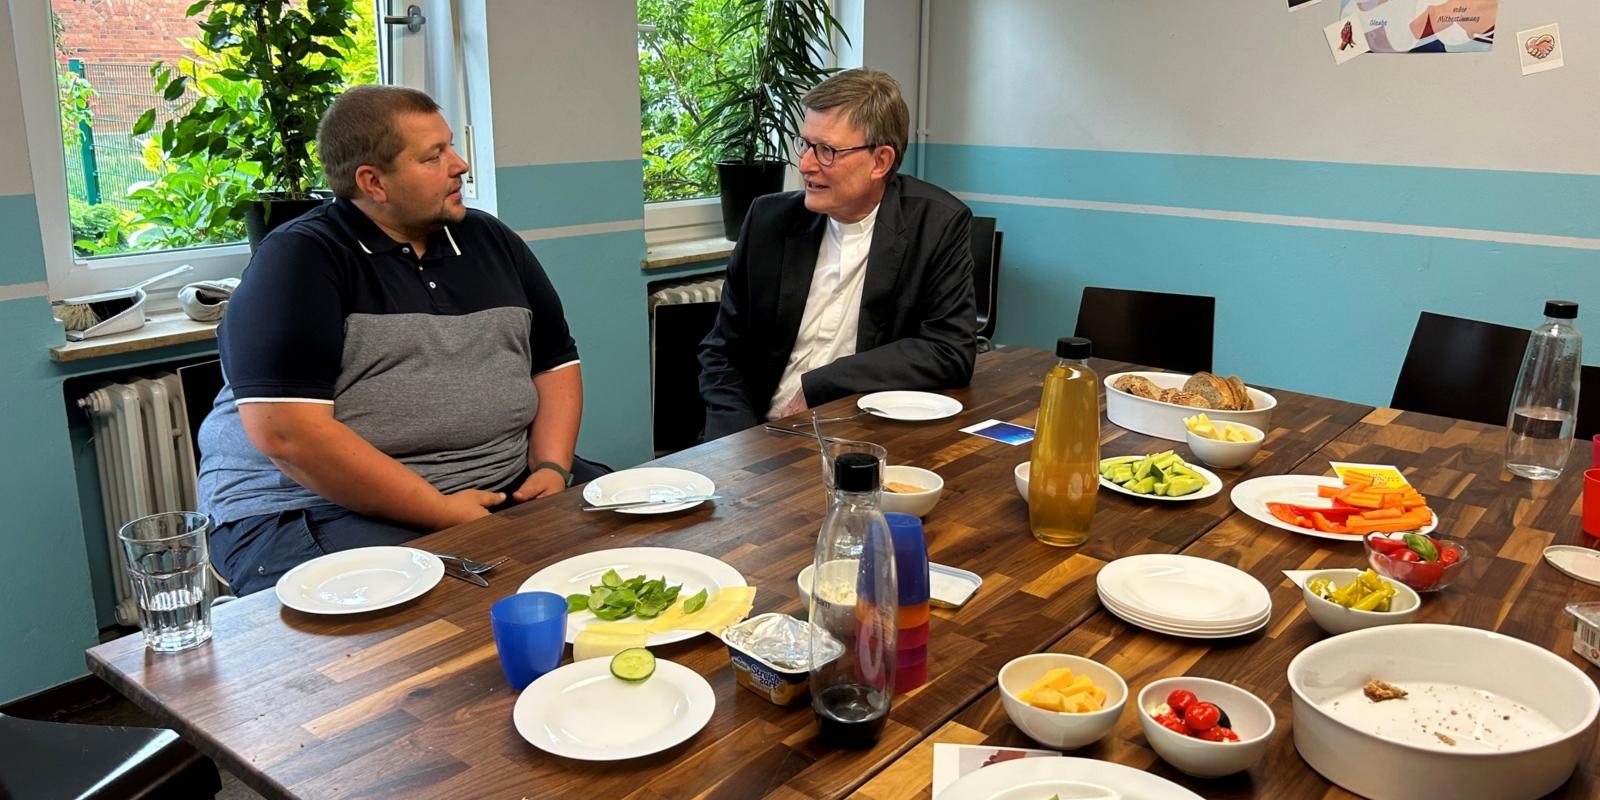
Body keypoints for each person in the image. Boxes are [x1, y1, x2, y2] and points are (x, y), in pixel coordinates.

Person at [197, 85, 601, 596]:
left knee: (630, 548)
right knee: (443, 618)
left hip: (497, 482)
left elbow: (555, 361)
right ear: (373, 182)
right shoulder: (301, 260)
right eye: (434, 156)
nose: (461, 165)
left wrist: (551, 465)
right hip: (311, 507)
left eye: (451, 147)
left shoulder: (491, 241)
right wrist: (440, 511)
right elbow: (289, 436)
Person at [697, 69, 977, 441]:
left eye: (826, 150)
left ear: (880, 162)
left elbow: (949, 351)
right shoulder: (768, 221)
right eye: (805, 144)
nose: (806, 165)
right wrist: (739, 443)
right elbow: (722, 352)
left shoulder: (937, 224)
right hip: (757, 433)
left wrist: (823, 382)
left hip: (861, 438)